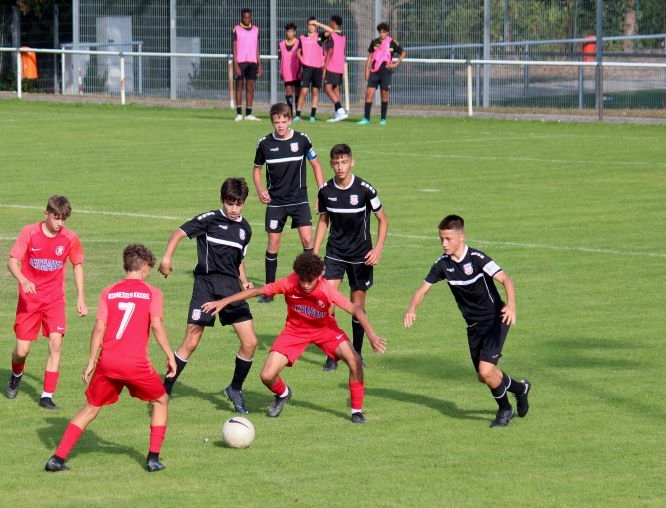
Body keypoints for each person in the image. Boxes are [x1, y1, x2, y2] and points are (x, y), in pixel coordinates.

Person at [203, 252, 387, 424]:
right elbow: (257, 291)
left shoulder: (326, 289)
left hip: (324, 330)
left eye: (310, 281)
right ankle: (283, 393)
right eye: (302, 280)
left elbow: (355, 309)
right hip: (294, 332)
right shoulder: (289, 282)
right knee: (267, 376)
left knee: (355, 360)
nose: (305, 285)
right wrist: (224, 301)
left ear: (318, 276)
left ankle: (356, 411)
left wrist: (372, 336)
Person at [44, 244, 176, 473]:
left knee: (90, 408)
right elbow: (156, 324)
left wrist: (91, 361)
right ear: (145, 267)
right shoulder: (153, 293)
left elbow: (99, 327)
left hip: (108, 362)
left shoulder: (109, 291)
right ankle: (153, 459)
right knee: (160, 401)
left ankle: (57, 458)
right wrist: (170, 355)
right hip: (135, 363)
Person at [402, 215, 531, 428]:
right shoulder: (442, 264)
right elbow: (423, 289)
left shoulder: (477, 258)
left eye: (448, 239)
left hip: (496, 319)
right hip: (473, 326)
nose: (444, 244)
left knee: (486, 371)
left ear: (461, 237)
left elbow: (505, 279)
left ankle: (505, 409)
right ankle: (520, 388)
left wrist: (511, 304)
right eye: (441, 239)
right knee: (484, 375)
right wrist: (411, 308)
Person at [158, 177, 258, 414]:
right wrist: (166, 258)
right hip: (206, 286)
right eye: (230, 203)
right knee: (191, 341)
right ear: (222, 200)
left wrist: (244, 281)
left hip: (231, 288)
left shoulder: (245, 230)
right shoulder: (209, 219)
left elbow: (239, 260)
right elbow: (178, 233)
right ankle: (164, 391)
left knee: (250, 342)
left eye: (239, 204)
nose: (234, 209)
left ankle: (235, 389)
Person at [5, 195, 88, 410]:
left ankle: (46, 396)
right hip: (30, 300)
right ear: (46, 214)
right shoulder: (29, 233)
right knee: (21, 351)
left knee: (56, 342)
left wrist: (80, 297)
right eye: (56, 217)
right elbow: (12, 261)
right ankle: (16, 375)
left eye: (63, 219)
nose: (60, 223)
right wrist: (23, 280)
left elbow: (77, 265)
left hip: (54, 299)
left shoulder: (70, 238)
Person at [312, 143, 389, 372]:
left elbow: (383, 220)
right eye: (336, 163)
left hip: (360, 256)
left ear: (352, 162)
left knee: (357, 306)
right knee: (327, 303)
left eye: (344, 162)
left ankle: (356, 352)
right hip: (335, 253)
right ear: (331, 164)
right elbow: (323, 220)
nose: (340, 167)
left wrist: (378, 249)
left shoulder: (365, 190)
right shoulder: (326, 191)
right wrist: (314, 253)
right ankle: (332, 353)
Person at [252, 102, 326, 301]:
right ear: (272, 122)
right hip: (276, 202)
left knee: (308, 241)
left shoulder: (302, 140)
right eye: (277, 122)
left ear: (290, 120)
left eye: (284, 121)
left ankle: (312, 286)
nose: (281, 126)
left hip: (299, 200)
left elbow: (316, 165)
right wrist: (260, 190)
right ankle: (269, 292)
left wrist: (322, 193)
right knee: (273, 244)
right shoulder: (264, 144)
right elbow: (257, 169)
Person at [359, 23, 406, 125]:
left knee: (384, 94)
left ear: (387, 33)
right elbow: (370, 57)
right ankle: (366, 118)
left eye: (384, 32)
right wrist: (366, 70)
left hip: (386, 72)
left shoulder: (392, 42)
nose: (382, 34)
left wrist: (395, 64)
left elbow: (403, 52)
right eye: (380, 32)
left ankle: (383, 119)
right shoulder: (374, 42)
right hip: (374, 72)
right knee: (369, 93)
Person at [315, 16, 348, 122]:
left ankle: (340, 110)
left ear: (334, 23)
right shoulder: (343, 36)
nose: (329, 23)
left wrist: (325, 67)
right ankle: (338, 113)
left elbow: (330, 52)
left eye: (330, 22)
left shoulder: (332, 35)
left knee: (327, 88)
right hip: (339, 67)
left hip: (331, 66)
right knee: (335, 88)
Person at [232, 8, 261, 122]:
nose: (246, 19)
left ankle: (249, 113)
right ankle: (239, 113)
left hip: (253, 62)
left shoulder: (256, 29)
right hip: (240, 62)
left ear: (251, 17)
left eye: (248, 17)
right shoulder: (236, 29)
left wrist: (259, 64)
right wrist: (235, 64)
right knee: (239, 86)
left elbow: (257, 48)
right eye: (244, 17)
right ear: (241, 17)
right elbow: (234, 48)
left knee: (250, 87)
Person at [296, 17, 325, 123]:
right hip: (307, 68)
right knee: (304, 91)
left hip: (318, 68)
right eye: (310, 24)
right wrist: (302, 60)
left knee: (315, 91)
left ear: (316, 27)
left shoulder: (320, 36)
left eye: (313, 25)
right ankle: (297, 115)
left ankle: (312, 115)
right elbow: (298, 51)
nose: (311, 27)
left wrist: (318, 23)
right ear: (307, 25)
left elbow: (332, 31)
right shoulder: (302, 37)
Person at [279, 22, 302, 113]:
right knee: (288, 91)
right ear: (286, 32)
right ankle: (290, 113)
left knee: (297, 92)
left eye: (291, 31)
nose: (289, 33)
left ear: (295, 32)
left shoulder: (299, 43)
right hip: (286, 72)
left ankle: (298, 114)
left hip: (296, 71)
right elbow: (281, 59)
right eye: (288, 31)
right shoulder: (281, 44)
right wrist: (281, 71)